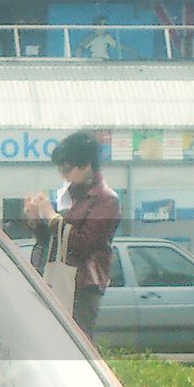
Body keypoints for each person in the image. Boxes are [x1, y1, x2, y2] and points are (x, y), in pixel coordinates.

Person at [25, 130, 121, 340]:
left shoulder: (106, 200)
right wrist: (35, 219)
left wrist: (51, 215)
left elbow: (81, 243)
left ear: (86, 165)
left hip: (83, 285)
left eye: (67, 169)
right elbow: (53, 242)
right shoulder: (73, 197)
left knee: (76, 342)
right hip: (61, 280)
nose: (64, 176)